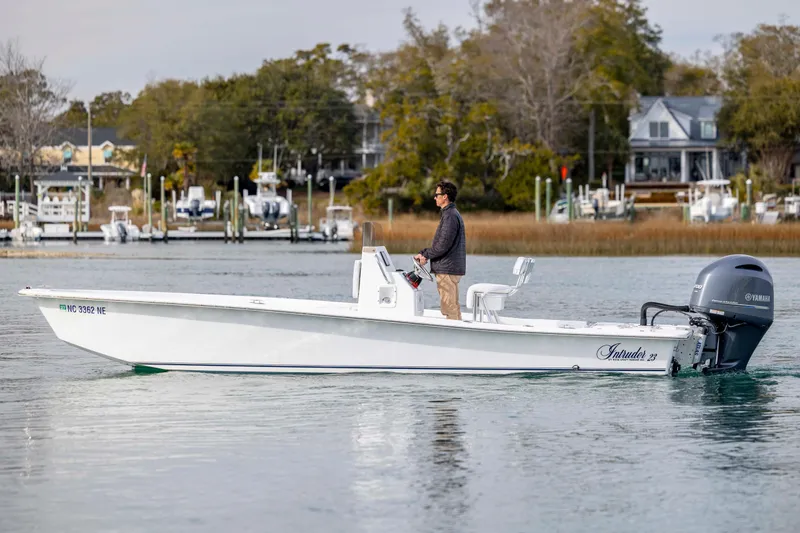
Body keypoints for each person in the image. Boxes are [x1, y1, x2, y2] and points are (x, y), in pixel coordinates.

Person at [414, 181, 466, 320]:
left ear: (445, 197)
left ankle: (454, 338)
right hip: (449, 268)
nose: (434, 197)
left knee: (449, 307)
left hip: (447, 269)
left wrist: (425, 254)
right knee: (452, 306)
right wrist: (425, 254)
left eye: (437, 194)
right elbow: (442, 244)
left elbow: (443, 246)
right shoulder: (450, 214)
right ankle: (457, 335)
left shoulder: (450, 216)